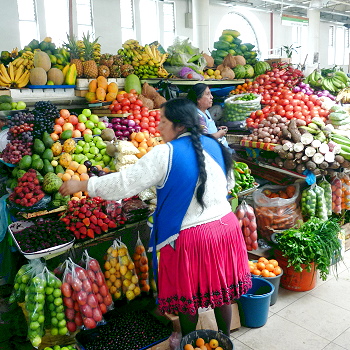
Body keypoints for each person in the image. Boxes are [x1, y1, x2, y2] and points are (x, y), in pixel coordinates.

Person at [59, 98, 251, 336]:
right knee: (222, 290)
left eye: (163, 121)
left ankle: (189, 341)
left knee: (186, 297)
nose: (158, 127)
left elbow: (124, 183)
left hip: (192, 237)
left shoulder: (165, 153)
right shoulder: (215, 145)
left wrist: (85, 183)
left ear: (179, 125)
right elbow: (228, 185)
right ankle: (224, 339)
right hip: (225, 228)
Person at [187, 83, 230, 149]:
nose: (211, 97)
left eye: (210, 94)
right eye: (207, 94)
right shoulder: (198, 116)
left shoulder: (206, 111)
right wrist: (219, 134)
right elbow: (204, 139)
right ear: (198, 99)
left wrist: (218, 130)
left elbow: (207, 130)